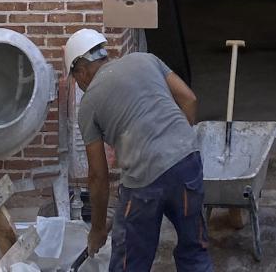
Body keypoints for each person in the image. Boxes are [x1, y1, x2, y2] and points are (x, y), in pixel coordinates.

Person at [64, 28, 213, 272]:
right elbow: (189, 99)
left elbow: (98, 176)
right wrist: (173, 145)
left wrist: (98, 229)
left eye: (76, 80)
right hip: (187, 163)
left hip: (144, 184)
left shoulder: (89, 104)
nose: (80, 86)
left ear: (81, 71)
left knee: (129, 263)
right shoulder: (146, 59)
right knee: (195, 251)